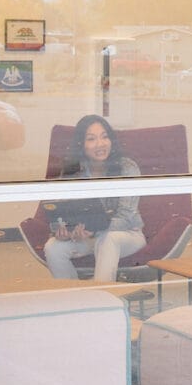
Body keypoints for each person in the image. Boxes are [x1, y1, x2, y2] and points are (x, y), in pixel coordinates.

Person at [44, 115, 146, 282]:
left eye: (104, 137)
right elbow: (62, 211)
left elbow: (126, 218)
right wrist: (62, 231)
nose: (100, 144)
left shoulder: (127, 167)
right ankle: (73, 299)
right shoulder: (73, 171)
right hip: (88, 237)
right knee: (53, 247)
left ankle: (102, 300)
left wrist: (94, 230)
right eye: (91, 139)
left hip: (126, 235)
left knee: (107, 239)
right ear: (81, 145)